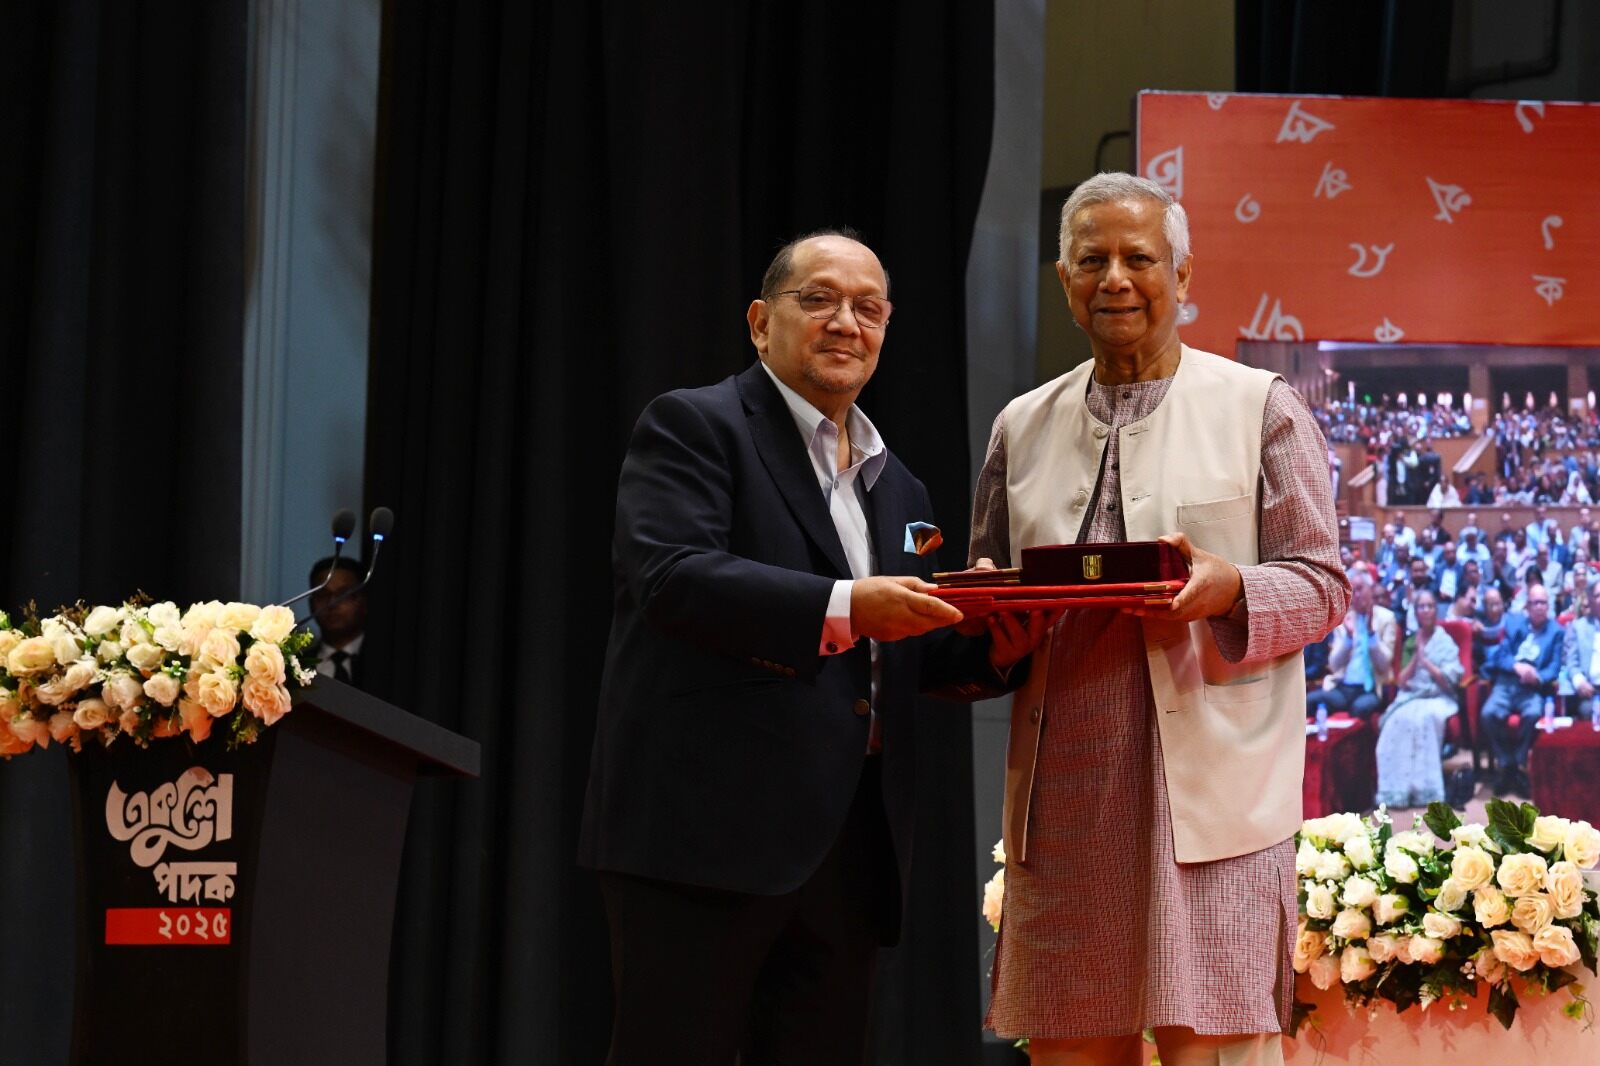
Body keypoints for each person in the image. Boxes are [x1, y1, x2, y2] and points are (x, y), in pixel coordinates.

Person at [577, 229, 1046, 1065]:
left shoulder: (900, 486)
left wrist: (992, 642)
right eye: (819, 300)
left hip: (849, 852)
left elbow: (899, 656)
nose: (845, 323)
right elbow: (672, 579)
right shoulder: (695, 425)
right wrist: (851, 605)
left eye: (868, 308)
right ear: (762, 323)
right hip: (703, 840)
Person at [969, 173, 1348, 1065]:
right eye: (1091, 260)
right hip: (1066, 803)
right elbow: (992, 594)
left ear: (1182, 276)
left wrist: (1230, 587)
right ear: (1064, 280)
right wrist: (997, 631)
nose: (1115, 279)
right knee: (1069, 1049)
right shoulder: (1022, 426)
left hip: (1215, 808)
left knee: (1216, 1049)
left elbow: (1322, 583)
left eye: (1139, 258)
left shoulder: (1259, 406)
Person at [1375, 589, 1464, 808]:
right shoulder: (1411, 642)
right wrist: (1416, 657)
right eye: (1421, 607)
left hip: (1438, 696)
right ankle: (1397, 790)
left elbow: (1450, 681)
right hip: (1412, 694)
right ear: (1415, 612)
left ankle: (1425, 790)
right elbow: (1402, 681)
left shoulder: (1445, 641)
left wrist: (1428, 663)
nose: (1426, 610)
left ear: (1436, 610)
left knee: (1424, 719)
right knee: (1396, 721)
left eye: (1430, 606)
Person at [1480, 583, 1563, 796]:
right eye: (1535, 603)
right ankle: (1507, 764)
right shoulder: (1514, 623)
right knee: (1488, 713)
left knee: (1534, 713)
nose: (1539, 607)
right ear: (1527, 606)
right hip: (1508, 681)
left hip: (1532, 687)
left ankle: (1519, 763)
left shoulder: (1556, 631)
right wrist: (1516, 666)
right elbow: (1500, 656)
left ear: (1548, 606)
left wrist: (1536, 676)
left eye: (1543, 602)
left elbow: (1554, 667)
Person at [1313, 569, 1397, 720]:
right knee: (1311, 701)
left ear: (1370, 589)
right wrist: (1348, 638)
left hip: (1371, 688)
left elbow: (1384, 665)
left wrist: (1371, 635)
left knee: (1359, 708)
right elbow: (1334, 665)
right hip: (1344, 687)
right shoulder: (1345, 621)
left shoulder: (1386, 618)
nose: (1356, 595)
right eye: (1352, 591)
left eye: (1360, 589)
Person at [308, 556, 367, 687]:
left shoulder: (391, 663)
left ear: (364, 601)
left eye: (343, 594)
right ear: (311, 604)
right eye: (323, 595)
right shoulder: (294, 667)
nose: (332, 603)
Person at [1562, 583, 1600, 722]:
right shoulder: (1578, 627)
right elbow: (1571, 661)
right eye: (1598, 595)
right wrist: (1580, 682)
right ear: (1590, 600)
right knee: (1588, 710)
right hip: (1590, 691)